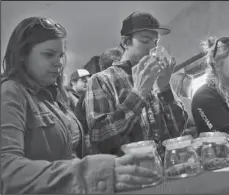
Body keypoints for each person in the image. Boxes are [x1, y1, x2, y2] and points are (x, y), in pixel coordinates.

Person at [1, 16, 162, 194]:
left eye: (61, 55)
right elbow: (6, 171)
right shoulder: (10, 92)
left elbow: (69, 155)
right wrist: (90, 173)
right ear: (23, 55)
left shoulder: (54, 97)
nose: (59, 63)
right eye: (48, 54)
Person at [85, 12, 188, 158]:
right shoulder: (101, 79)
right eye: (146, 41)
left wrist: (165, 87)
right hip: (129, 173)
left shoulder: (156, 77)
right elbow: (100, 137)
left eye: (156, 42)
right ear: (126, 42)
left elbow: (178, 130)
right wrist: (138, 94)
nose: (152, 48)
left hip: (164, 166)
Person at [74, 47, 123, 153]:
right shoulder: (96, 87)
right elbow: (98, 132)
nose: (87, 82)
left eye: (88, 78)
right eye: (83, 80)